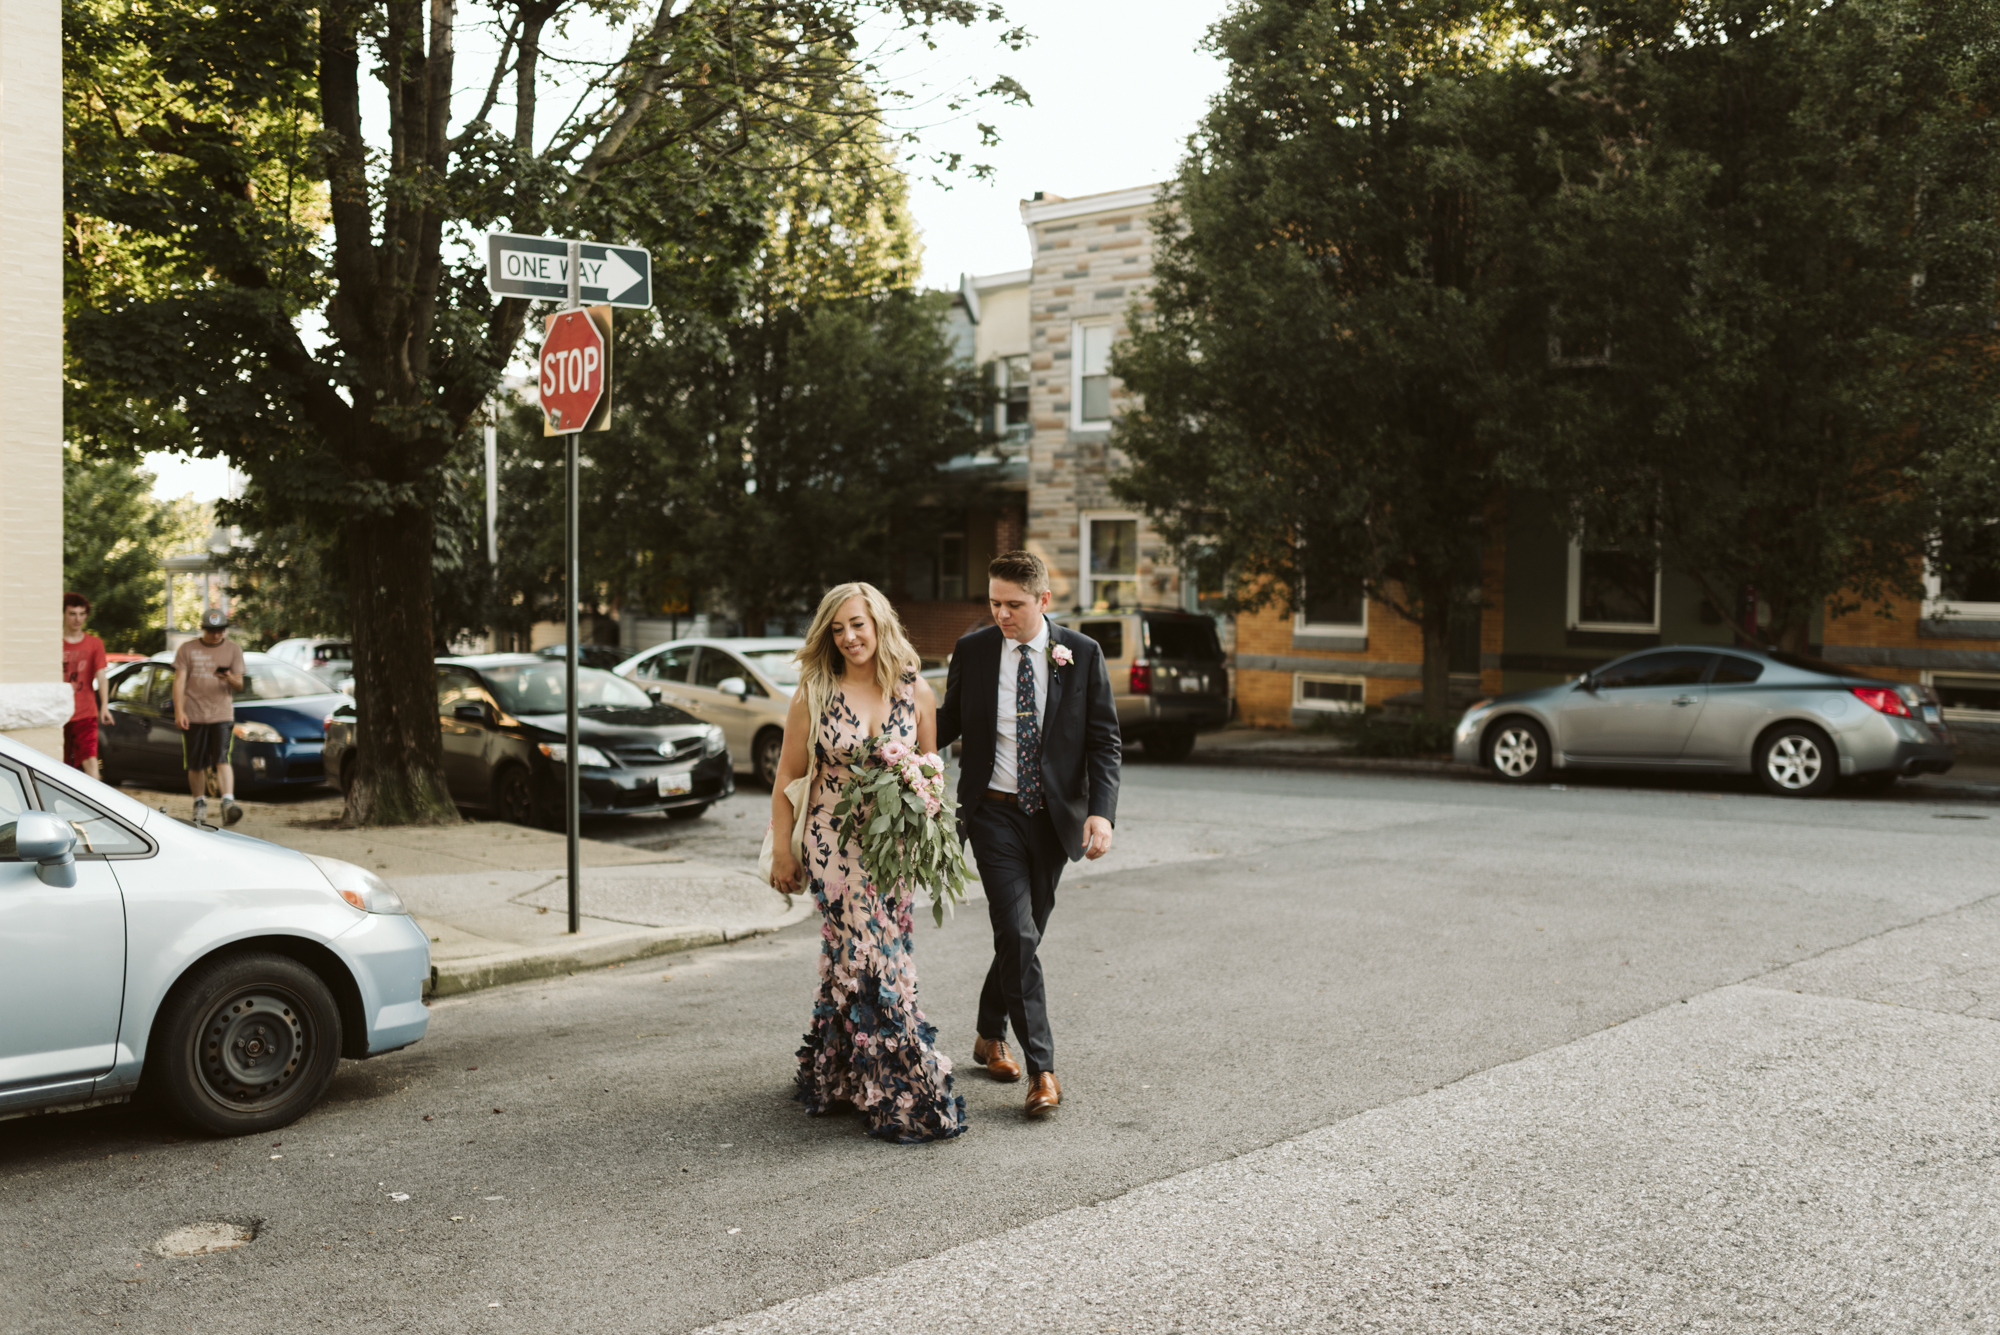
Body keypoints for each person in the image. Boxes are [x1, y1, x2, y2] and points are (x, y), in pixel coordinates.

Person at [768, 582, 967, 1143]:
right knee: (874, 956)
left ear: (879, 622)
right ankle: (904, 1087)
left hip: (891, 854)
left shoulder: (915, 691)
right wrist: (784, 848)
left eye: (857, 624)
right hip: (831, 847)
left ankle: (835, 1074)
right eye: (837, 628)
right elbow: (787, 776)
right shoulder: (815, 691)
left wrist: (929, 828)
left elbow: (932, 775)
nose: (849, 637)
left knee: (852, 957)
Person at [936, 550, 1121, 1119]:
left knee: (1025, 936)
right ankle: (1043, 1069)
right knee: (1017, 933)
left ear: (1043, 600)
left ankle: (989, 1034)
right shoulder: (973, 650)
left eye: (1013, 604)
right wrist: (893, 729)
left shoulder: (1081, 654)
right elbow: (944, 724)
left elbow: (1103, 741)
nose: (1001, 614)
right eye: (993, 602)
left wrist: (1102, 812)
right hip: (992, 813)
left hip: (1054, 818)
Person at [172, 609, 246, 826]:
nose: (216, 635)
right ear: (203, 629)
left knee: (221, 758)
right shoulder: (188, 649)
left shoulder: (233, 649)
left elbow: (240, 685)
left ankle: (228, 803)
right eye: (212, 631)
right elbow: (179, 682)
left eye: (220, 630)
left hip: (221, 714)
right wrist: (179, 711)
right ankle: (199, 803)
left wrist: (229, 678)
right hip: (193, 713)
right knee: (195, 762)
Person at [61, 593, 113, 780]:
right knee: (59, 763)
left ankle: (97, 806)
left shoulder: (94, 644)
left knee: (91, 761)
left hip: (85, 713)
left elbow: (101, 676)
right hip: (60, 713)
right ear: (64, 614)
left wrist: (104, 706)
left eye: (82, 614)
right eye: (73, 614)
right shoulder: (55, 644)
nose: (78, 619)